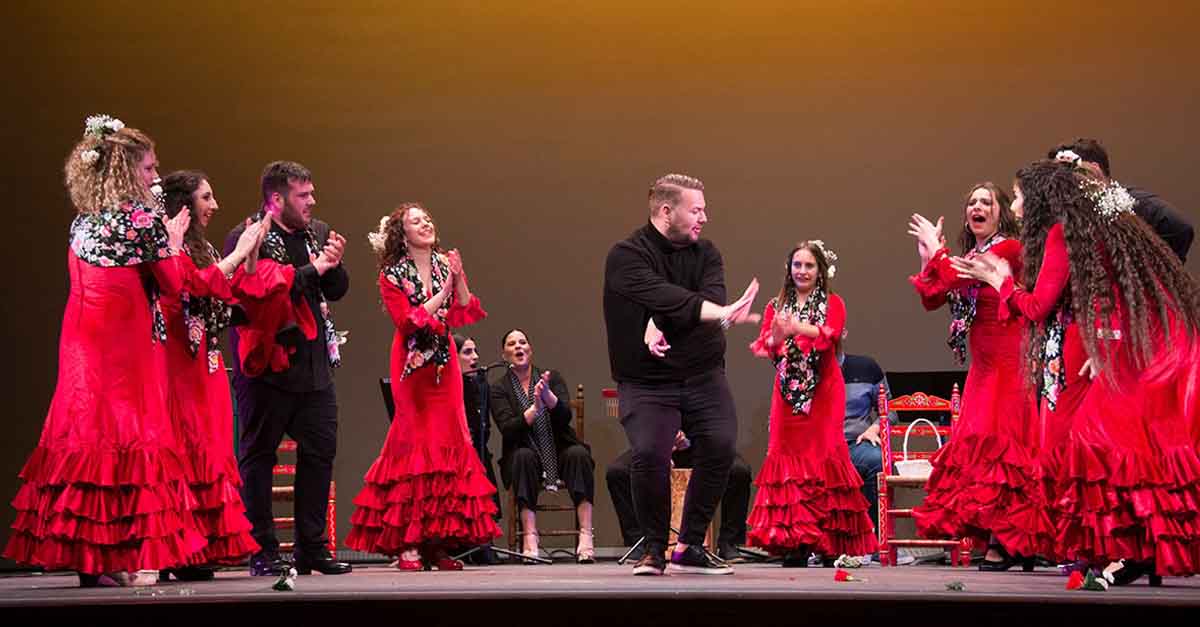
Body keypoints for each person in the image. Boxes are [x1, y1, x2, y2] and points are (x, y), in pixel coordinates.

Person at [952, 158, 1200, 585]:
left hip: (1123, 346)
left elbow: (1037, 307)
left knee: (1097, 445)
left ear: (1041, 199)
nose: (1016, 206)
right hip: (1131, 342)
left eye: (1020, 196)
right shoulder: (1086, 229)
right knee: (1118, 446)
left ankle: (1126, 550)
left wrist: (1001, 281)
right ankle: (1127, 550)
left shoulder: (1062, 234)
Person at [3, 116, 204, 587]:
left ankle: (92, 556)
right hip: (122, 344)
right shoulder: (142, 221)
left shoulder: (83, 221)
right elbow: (172, 286)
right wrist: (174, 242)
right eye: (149, 168)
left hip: (81, 342)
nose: (156, 177)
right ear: (125, 171)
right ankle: (126, 554)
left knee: (86, 435)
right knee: (126, 438)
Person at [603, 173, 761, 576]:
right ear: (666, 211)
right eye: (696, 210)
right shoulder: (626, 255)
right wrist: (704, 313)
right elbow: (659, 293)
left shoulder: (707, 253)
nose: (704, 218)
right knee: (649, 454)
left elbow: (706, 300)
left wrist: (659, 320)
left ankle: (689, 546)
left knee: (721, 445)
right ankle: (654, 549)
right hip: (646, 381)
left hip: (702, 374)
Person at [345, 203, 500, 571]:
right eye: (416, 221)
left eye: (427, 218)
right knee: (415, 447)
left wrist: (457, 278)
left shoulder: (445, 263)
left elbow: (464, 308)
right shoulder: (391, 274)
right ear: (403, 234)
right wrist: (444, 289)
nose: (426, 224)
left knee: (447, 445)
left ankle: (437, 543)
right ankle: (410, 543)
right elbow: (408, 321)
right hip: (411, 367)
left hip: (445, 367)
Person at [906, 183, 1051, 570]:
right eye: (972, 202)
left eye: (986, 201)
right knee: (980, 448)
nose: (977, 207)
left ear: (1000, 212)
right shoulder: (972, 255)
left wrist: (937, 252)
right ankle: (1004, 539)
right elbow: (934, 297)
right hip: (984, 364)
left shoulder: (1009, 249)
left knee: (1002, 444)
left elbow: (955, 278)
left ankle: (1005, 541)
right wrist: (927, 258)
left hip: (1009, 358)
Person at [225, 161, 351, 576]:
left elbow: (335, 288)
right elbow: (263, 289)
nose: (312, 201)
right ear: (276, 200)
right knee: (258, 457)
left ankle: (311, 549)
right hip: (267, 367)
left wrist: (334, 264)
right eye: (303, 195)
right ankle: (262, 550)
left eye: (312, 192)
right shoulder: (249, 235)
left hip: (313, 368)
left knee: (320, 453)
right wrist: (315, 269)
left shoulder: (316, 232)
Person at [158, 171, 265, 580]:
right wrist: (238, 253)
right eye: (206, 197)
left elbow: (226, 292)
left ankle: (201, 546)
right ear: (184, 203)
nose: (214, 205)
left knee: (211, 443)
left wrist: (249, 257)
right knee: (185, 444)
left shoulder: (200, 247)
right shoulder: (167, 245)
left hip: (206, 358)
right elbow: (196, 285)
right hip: (178, 360)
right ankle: (177, 549)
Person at [745, 240, 877, 566]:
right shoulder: (776, 306)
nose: (802, 271)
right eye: (797, 265)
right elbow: (768, 346)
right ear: (789, 269)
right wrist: (777, 336)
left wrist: (796, 327)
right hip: (787, 397)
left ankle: (828, 541)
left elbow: (830, 334)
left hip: (824, 394)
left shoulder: (834, 302)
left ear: (820, 271)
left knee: (825, 459)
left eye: (809, 265)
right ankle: (795, 542)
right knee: (787, 462)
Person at [490, 329, 596, 563]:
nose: (518, 346)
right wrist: (534, 410)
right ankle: (530, 536)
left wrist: (548, 397)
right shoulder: (499, 388)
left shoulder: (551, 378)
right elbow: (508, 429)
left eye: (522, 342)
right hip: (523, 453)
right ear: (504, 355)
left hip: (558, 450)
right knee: (523, 458)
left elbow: (565, 417)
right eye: (512, 344)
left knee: (579, 454)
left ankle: (586, 534)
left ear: (530, 349)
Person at [606, 433, 752, 562]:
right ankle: (638, 541)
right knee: (617, 472)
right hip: (656, 444)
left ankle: (728, 542)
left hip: (701, 445)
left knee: (739, 471)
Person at [1047, 138, 1193, 261]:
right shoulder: (1069, 210)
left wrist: (1156, 269)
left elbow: (1181, 227)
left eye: (1067, 170)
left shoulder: (1136, 203)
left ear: (1094, 168)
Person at [454, 333, 502, 565]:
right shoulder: (448, 388)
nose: (475, 357)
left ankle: (482, 542)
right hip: (455, 457)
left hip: (478, 454)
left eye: (475, 351)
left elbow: (485, 430)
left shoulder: (479, 385)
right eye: (467, 352)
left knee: (483, 463)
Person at [838, 346, 893, 532]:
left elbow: (891, 409)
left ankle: (875, 537)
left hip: (855, 443)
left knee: (877, 460)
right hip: (820, 446)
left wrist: (874, 428)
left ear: (843, 333)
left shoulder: (865, 367)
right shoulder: (807, 370)